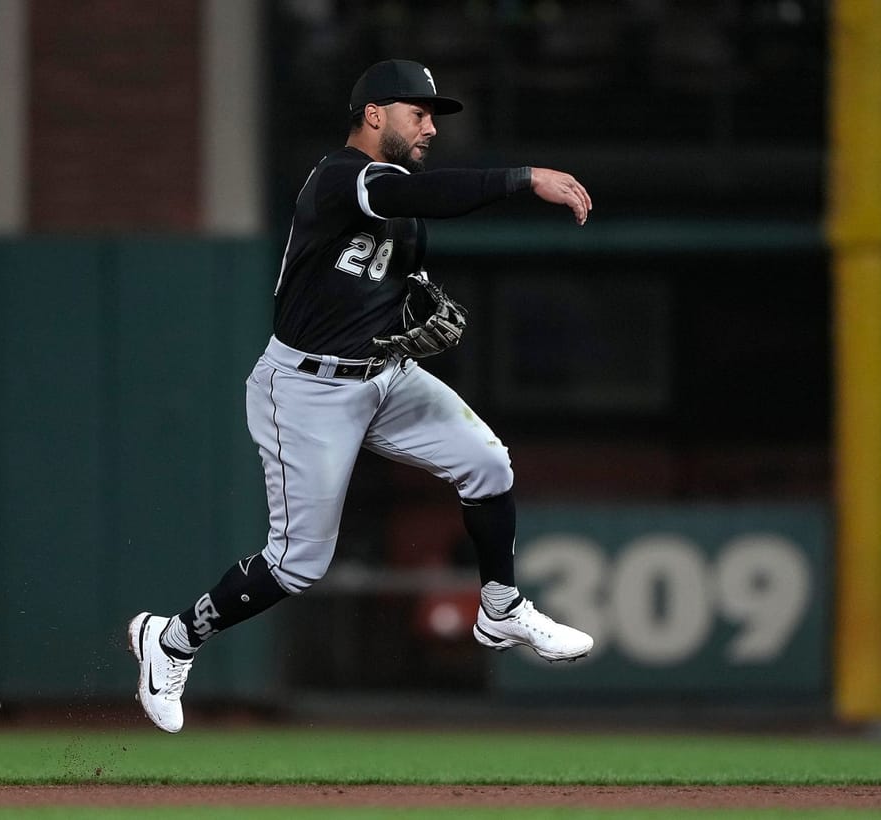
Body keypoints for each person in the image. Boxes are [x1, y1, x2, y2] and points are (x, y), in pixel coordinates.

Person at [128, 59, 595, 733]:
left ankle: (501, 609)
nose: (431, 127)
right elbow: (422, 197)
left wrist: (409, 317)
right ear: (373, 114)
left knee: (488, 463)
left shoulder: (396, 201)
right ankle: (171, 638)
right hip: (306, 389)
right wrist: (524, 178)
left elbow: (387, 270)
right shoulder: (343, 179)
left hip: (382, 374)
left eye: (433, 116)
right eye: (419, 113)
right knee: (298, 564)